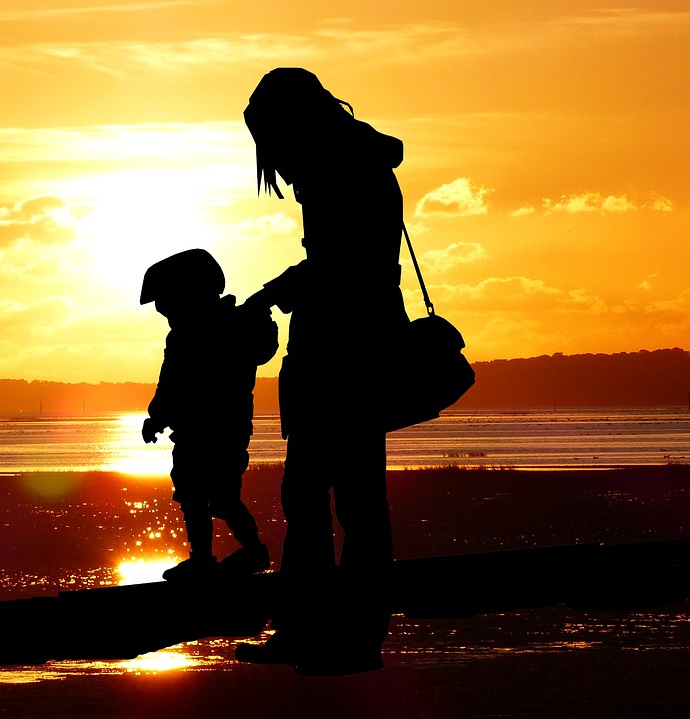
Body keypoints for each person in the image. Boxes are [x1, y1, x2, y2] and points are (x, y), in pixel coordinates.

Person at [232, 68, 410, 675]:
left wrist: (269, 295)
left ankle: (332, 635)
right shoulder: (355, 162)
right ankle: (335, 634)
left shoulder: (343, 171)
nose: (275, 162)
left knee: (329, 496)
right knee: (341, 495)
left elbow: (341, 264)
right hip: (352, 342)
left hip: (343, 349)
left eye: (272, 141)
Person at [140, 248, 279, 582]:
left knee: (220, 496)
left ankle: (250, 551)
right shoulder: (191, 335)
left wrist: (158, 415)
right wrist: (157, 417)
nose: (167, 315)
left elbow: (172, 383)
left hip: (219, 430)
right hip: (200, 431)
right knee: (194, 495)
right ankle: (205, 557)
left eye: (169, 306)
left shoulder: (223, 329)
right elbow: (170, 385)